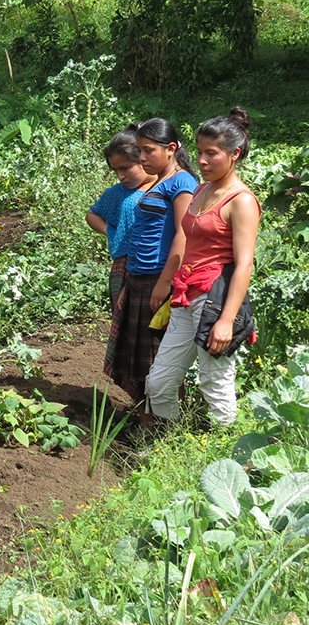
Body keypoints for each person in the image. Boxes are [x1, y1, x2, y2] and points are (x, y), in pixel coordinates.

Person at [145, 107, 261, 426]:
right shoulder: (202, 189)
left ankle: (225, 448)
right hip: (185, 296)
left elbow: (244, 264)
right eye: (199, 152)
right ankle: (170, 439)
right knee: (159, 382)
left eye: (212, 153)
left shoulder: (241, 201)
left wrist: (226, 321)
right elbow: (186, 238)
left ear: (235, 154)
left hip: (214, 300)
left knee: (215, 381)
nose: (202, 161)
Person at [104, 118, 199, 420]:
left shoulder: (182, 182)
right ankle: (149, 419)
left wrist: (165, 282)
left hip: (158, 276)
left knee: (157, 356)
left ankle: (163, 424)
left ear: (171, 149)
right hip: (140, 275)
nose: (142, 157)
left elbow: (184, 234)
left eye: (147, 151)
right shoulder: (159, 181)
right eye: (140, 151)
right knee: (140, 357)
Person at [86, 128, 156, 311]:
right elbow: (92, 214)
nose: (120, 176)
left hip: (158, 264)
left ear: (143, 159)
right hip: (125, 266)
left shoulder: (168, 186)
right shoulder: (118, 193)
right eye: (115, 170)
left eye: (125, 168)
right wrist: (111, 232)